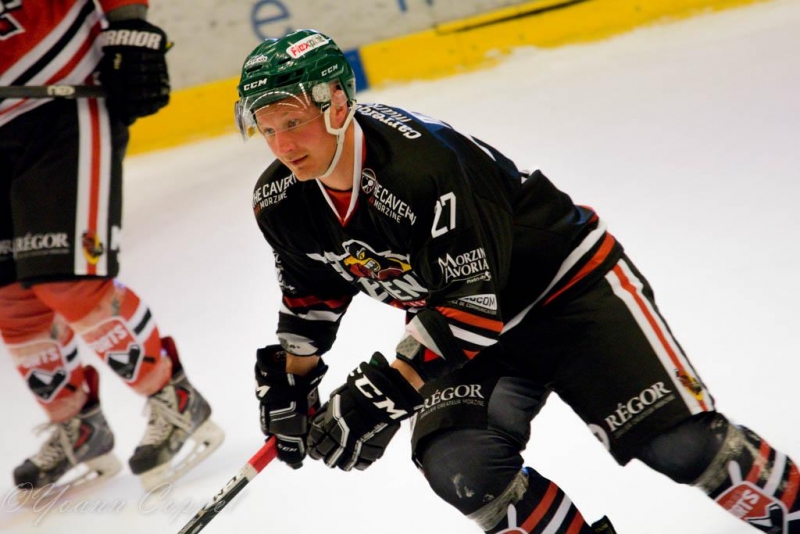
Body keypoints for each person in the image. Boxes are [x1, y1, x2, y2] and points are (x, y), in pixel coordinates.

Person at [238, 29, 799, 534]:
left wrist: (383, 394)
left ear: (337, 103)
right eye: (268, 129)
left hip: (567, 292)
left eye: (294, 122)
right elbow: (312, 290)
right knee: (463, 466)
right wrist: (294, 381)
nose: (283, 146)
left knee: (681, 446)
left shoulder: (420, 167)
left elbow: (472, 308)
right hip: (470, 329)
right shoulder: (281, 200)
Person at [0, 0, 223, 493]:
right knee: (11, 298)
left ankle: (175, 399)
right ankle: (79, 427)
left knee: (70, 280)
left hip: (60, 99)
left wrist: (128, 23)